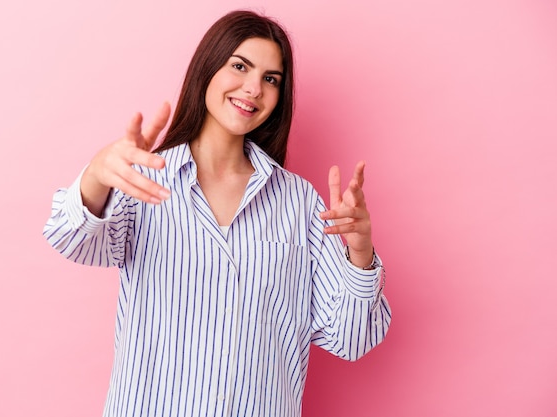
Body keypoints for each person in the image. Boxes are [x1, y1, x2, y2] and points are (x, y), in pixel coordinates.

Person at [43, 9, 391, 417]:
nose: (253, 88)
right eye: (239, 66)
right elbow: (69, 237)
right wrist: (99, 173)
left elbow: (351, 339)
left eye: (270, 79)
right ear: (208, 68)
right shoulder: (144, 178)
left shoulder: (299, 203)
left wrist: (360, 255)